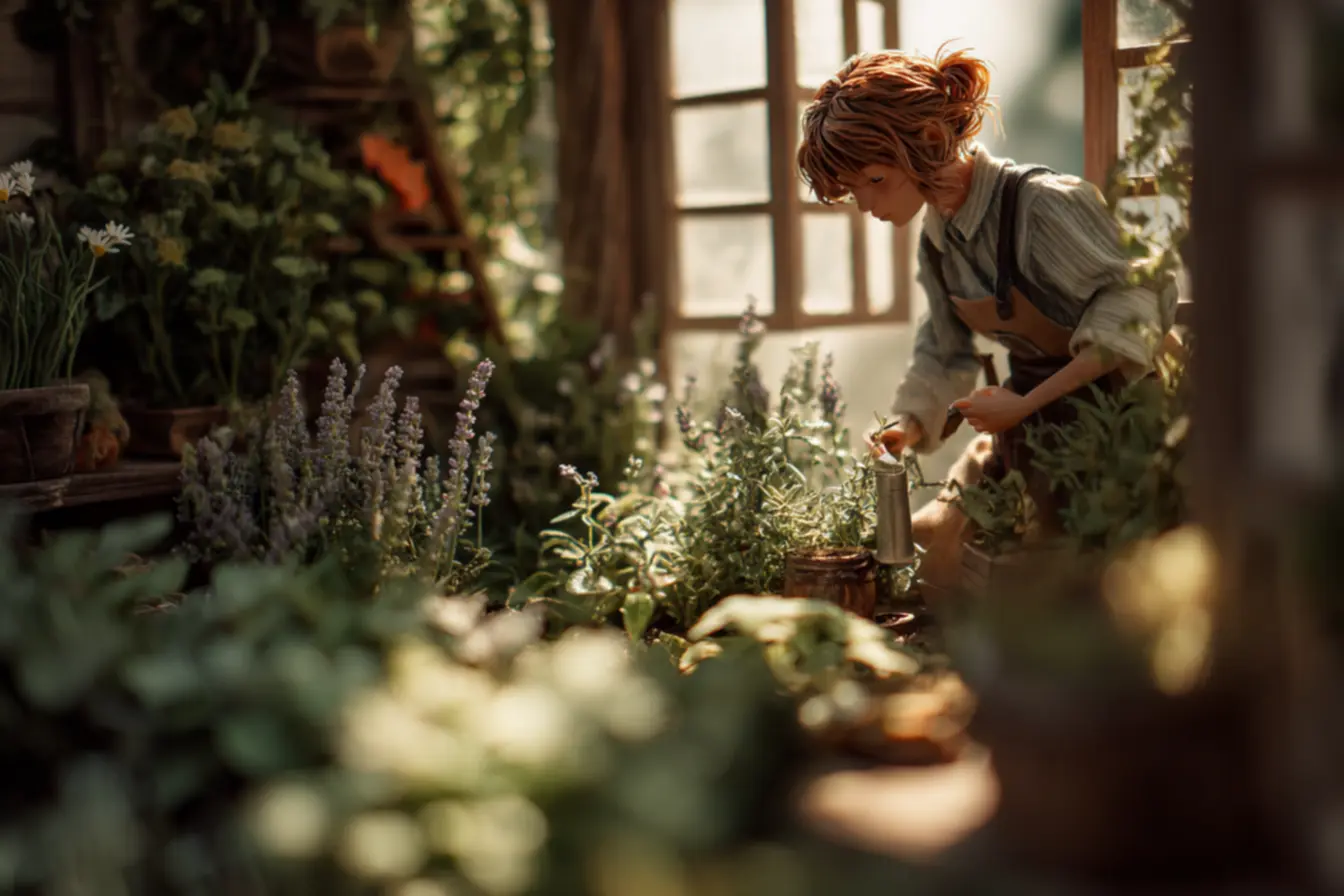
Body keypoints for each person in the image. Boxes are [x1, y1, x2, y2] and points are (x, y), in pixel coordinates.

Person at [797, 45, 1175, 589]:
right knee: (945, 557)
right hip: (1034, 434)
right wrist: (910, 425)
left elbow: (1136, 297)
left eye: (873, 181)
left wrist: (1025, 403)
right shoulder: (938, 240)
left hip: (1120, 426)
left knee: (1087, 576)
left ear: (929, 141)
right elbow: (944, 347)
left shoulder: (1042, 206)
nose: (865, 205)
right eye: (853, 191)